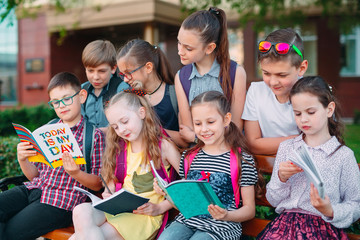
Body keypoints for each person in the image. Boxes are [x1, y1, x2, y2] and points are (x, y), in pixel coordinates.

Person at [0, 72, 105, 240]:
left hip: (61, 202)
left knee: (10, 233)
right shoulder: (47, 131)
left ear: (82, 96)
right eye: (55, 102)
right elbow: (35, 175)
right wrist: (23, 159)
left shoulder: (94, 136)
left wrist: (76, 173)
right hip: (34, 189)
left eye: (67, 98)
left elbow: (99, 184)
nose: (62, 105)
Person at [257, 76, 360, 239]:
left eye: (311, 112)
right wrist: (280, 178)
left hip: (323, 228)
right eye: (297, 113)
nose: (303, 119)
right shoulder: (287, 148)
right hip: (285, 227)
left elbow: (355, 205)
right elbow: (273, 200)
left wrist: (330, 210)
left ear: (329, 109)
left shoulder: (343, 156)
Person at [70, 90, 180, 240]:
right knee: (80, 211)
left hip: (143, 215)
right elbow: (113, 179)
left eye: (125, 121)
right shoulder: (121, 147)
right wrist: (109, 191)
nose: (121, 130)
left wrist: (161, 207)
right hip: (120, 208)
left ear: (142, 113)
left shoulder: (164, 147)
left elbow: (187, 187)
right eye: (115, 126)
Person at [158, 91, 258, 240]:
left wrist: (227, 215)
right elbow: (187, 205)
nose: (203, 129)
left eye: (210, 122)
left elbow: (250, 210)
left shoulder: (241, 160)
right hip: (188, 222)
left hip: (222, 227)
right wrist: (167, 194)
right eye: (198, 124)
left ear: (226, 120)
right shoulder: (189, 158)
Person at [175, 7, 247, 145]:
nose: (180, 51)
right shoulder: (181, 77)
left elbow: (236, 126)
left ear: (209, 48)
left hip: (227, 152)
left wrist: (194, 137)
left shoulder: (235, 73)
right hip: (197, 156)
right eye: (179, 42)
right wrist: (193, 137)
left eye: (188, 48)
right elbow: (187, 128)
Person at [242, 28, 308, 155]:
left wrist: (267, 145)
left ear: (302, 68)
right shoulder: (256, 91)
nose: (272, 82)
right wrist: (300, 140)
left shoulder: (314, 94)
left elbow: (318, 144)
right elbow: (252, 144)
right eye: (266, 73)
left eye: (282, 75)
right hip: (265, 169)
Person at [116, 39, 187, 147]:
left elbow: (185, 141)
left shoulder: (175, 93)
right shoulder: (129, 97)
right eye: (122, 75)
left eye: (128, 73)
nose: (125, 80)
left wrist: (154, 130)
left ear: (148, 67)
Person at [81, 39, 129, 131]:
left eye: (102, 71)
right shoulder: (82, 89)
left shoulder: (122, 88)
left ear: (113, 68)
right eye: (90, 71)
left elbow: (125, 120)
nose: (96, 77)